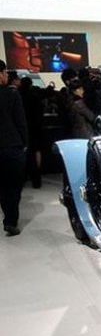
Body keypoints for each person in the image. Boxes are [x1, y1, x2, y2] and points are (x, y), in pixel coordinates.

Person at [0, 59, 28, 236]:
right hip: (12, 145)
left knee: (3, 186)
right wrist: (25, 142)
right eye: (4, 73)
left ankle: (7, 217)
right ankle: (10, 220)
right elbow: (20, 120)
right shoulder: (11, 93)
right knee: (14, 186)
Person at [18, 76, 44, 188]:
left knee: (24, 152)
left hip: (23, 127)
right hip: (35, 128)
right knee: (36, 151)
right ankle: (36, 178)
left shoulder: (18, 96)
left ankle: (23, 177)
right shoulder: (35, 96)